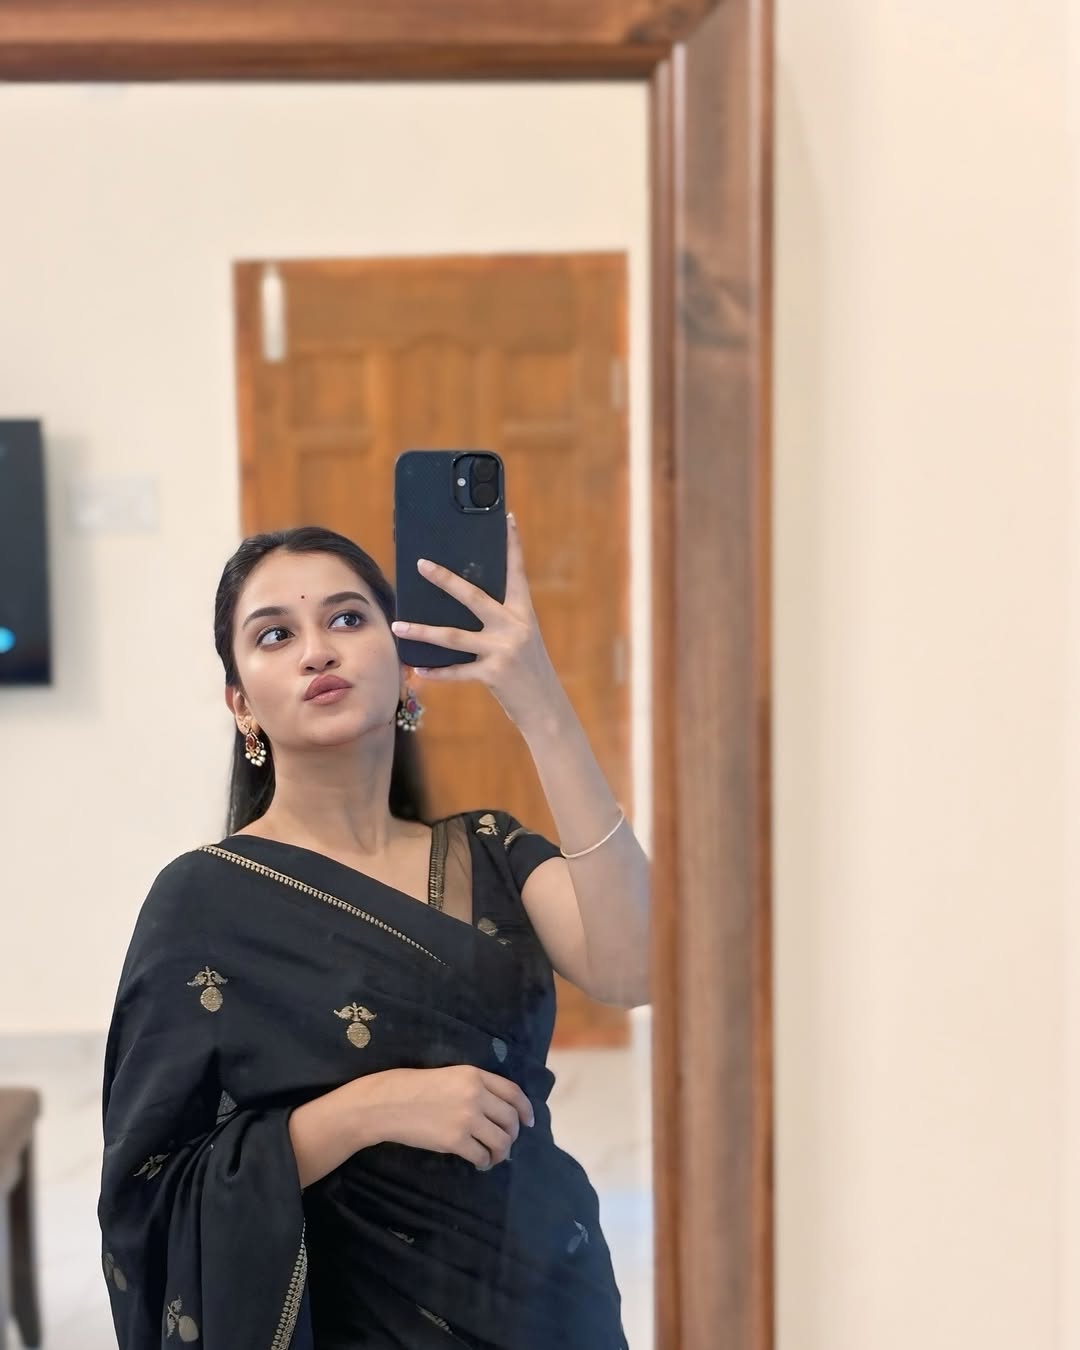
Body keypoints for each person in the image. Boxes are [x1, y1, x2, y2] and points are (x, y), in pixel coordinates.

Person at [98, 518, 650, 1350]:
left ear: (405, 666)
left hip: (545, 1298)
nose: (317, 651)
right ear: (240, 704)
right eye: (276, 634)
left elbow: (635, 965)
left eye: (348, 619)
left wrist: (539, 701)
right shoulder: (202, 902)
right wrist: (366, 1111)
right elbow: (150, 1189)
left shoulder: (490, 853)